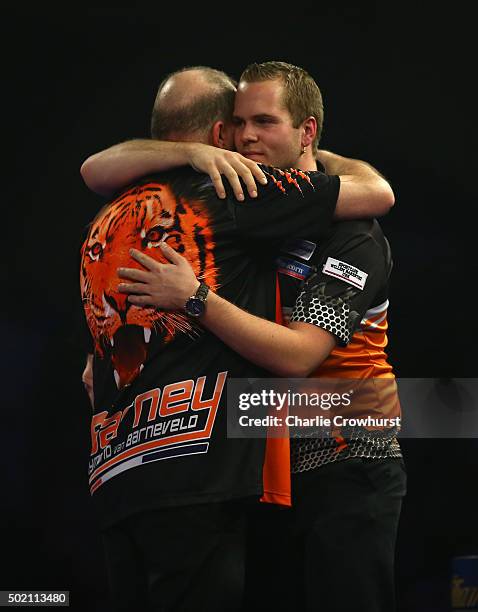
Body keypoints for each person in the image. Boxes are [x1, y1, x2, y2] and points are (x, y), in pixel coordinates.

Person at [83, 62, 406, 612]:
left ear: (306, 131)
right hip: (262, 464)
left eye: (264, 121)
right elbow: (94, 167)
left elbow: (301, 355)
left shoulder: (352, 234)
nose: (246, 136)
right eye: (237, 122)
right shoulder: (243, 203)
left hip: (346, 455)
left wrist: (195, 299)